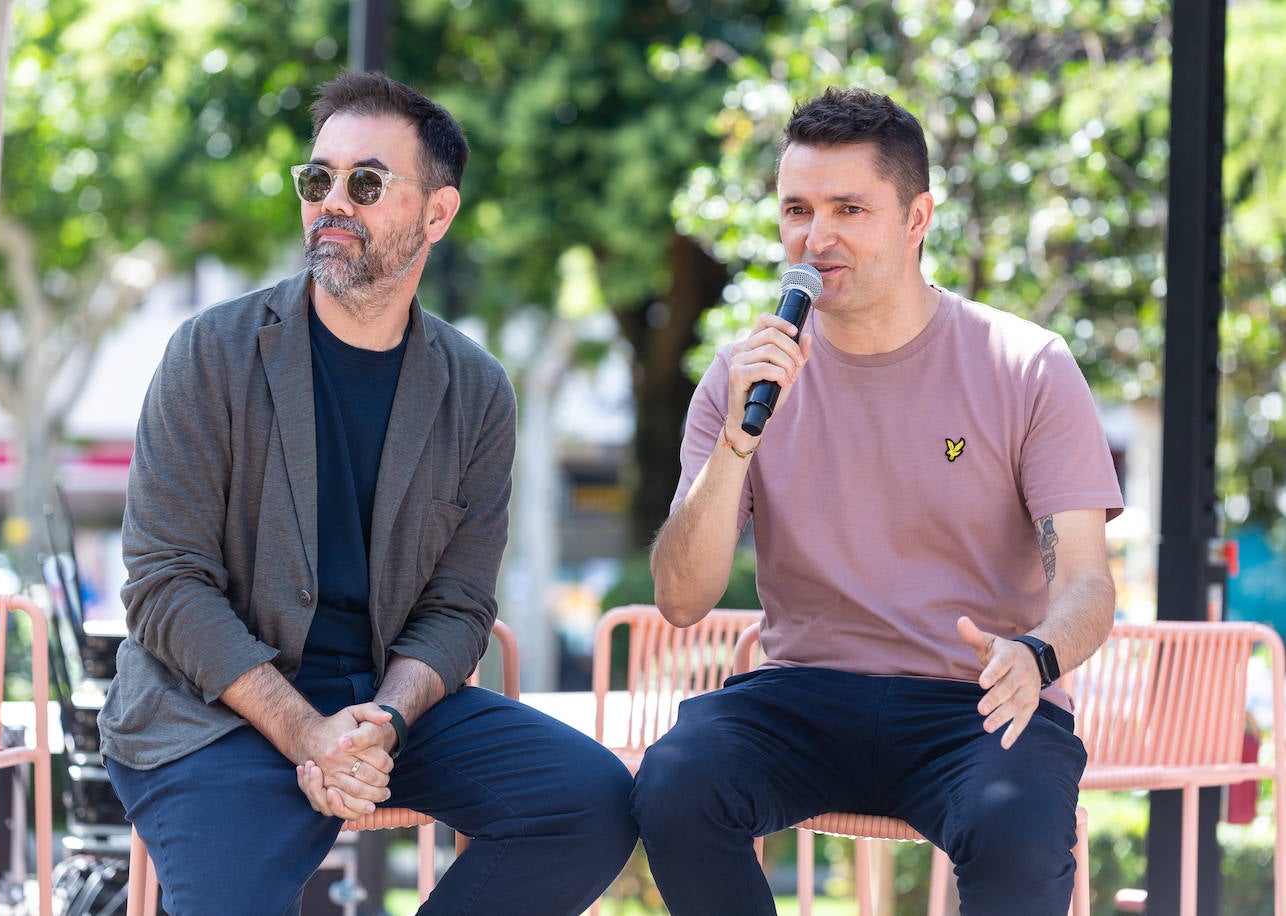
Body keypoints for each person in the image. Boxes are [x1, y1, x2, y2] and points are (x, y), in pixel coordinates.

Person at [99, 70, 637, 915]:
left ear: (438, 213)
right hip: (217, 711)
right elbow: (164, 585)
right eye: (318, 180)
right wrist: (306, 732)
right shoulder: (210, 352)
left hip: (387, 711)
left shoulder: (477, 391)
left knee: (590, 803)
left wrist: (383, 719)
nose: (332, 202)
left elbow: (459, 605)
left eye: (367, 182)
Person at [632, 86, 1123, 916]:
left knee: (1021, 833)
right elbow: (682, 600)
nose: (815, 237)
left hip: (975, 700)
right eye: (796, 209)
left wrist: (1037, 654)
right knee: (676, 781)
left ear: (916, 217)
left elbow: (1087, 583)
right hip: (803, 694)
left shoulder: (1026, 364)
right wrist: (736, 445)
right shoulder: (743, 373)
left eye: (849, 208)